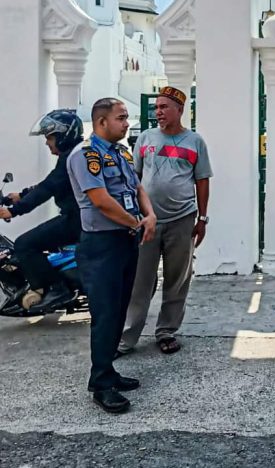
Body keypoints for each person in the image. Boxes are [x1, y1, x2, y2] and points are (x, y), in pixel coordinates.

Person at [67, 98, 156, 414]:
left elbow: (137, 188)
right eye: (121, 118)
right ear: (101, 122)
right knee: (105, 315)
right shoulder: (85, 156)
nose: (126, 123)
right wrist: (136, 222)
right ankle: (101, 384)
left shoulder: (121, 153)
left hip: (125, 240)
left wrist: (150, 215)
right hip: (101, 245)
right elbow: (101, 201)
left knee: (119, 309)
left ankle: (109, 371)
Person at [117, 86, 213, 357]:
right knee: (140, 280)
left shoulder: (195, 142)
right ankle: (126, 337)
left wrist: (202, 218)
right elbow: (134, 178)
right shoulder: (146, 138)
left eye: (164, 107)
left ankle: (166, 331)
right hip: (147, 221)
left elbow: (202, 181)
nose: (158, 112)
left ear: (180, 110)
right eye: (156, 107)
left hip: (183, 219)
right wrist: (134, 215)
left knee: (177, 278)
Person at [0, 110, 83, 312]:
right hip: (79, 216)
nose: (47, 142)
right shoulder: (76, 153)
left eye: (50, 137)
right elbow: (53, 182)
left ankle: (55, 288)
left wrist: (14, 211)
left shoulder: (72, 156)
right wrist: (21, 194)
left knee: (24, 244)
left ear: (64, 136)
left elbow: (49, 188)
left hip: (76, 219)